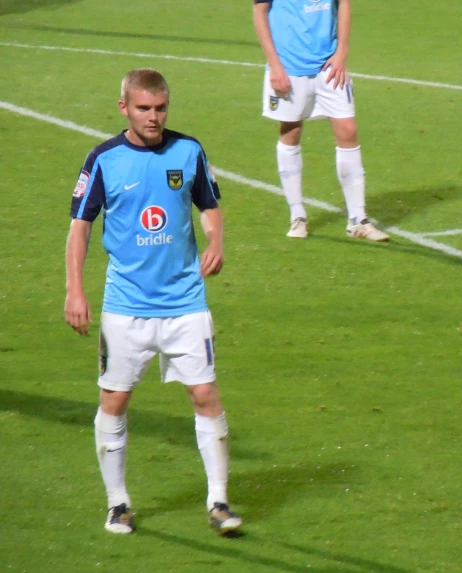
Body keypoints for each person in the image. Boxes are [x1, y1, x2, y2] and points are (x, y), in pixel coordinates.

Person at [64, 68, 242, 535]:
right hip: (126, 306)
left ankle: (219, 500)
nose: (154, 117)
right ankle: (118, 502)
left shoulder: (189, 151)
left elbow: (209, 204)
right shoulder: (103, 159)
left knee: (205, 394)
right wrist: (75, 289)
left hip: (185, 302)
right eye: (144, 108)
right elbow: (80, 227)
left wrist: (216, 240)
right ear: (124, 107)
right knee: (115, 400)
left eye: (160, 108)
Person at [252, 0, 389, 241]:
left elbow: (344, 3)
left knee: (348, 129)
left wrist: (342, 50)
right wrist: (274, 65)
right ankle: (298, 215)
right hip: (289, 66)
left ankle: (358, 219)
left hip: (329, 65)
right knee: (291, 132)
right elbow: (259, 12)